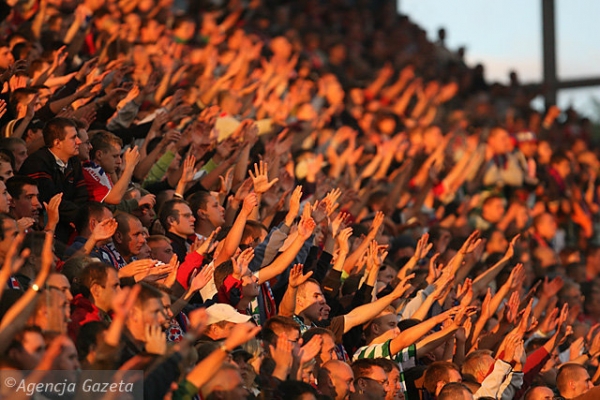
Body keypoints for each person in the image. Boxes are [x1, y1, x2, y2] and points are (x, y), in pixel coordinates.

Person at [19, 117, 88, 242]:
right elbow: (50, 200)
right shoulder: (38, 163)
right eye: (73, 138)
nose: (79, 141)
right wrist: (82, 217)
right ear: (57, 143)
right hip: (42, 227)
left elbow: (82, 196)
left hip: (69, 223)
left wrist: (80, 216)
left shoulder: (74, 162)